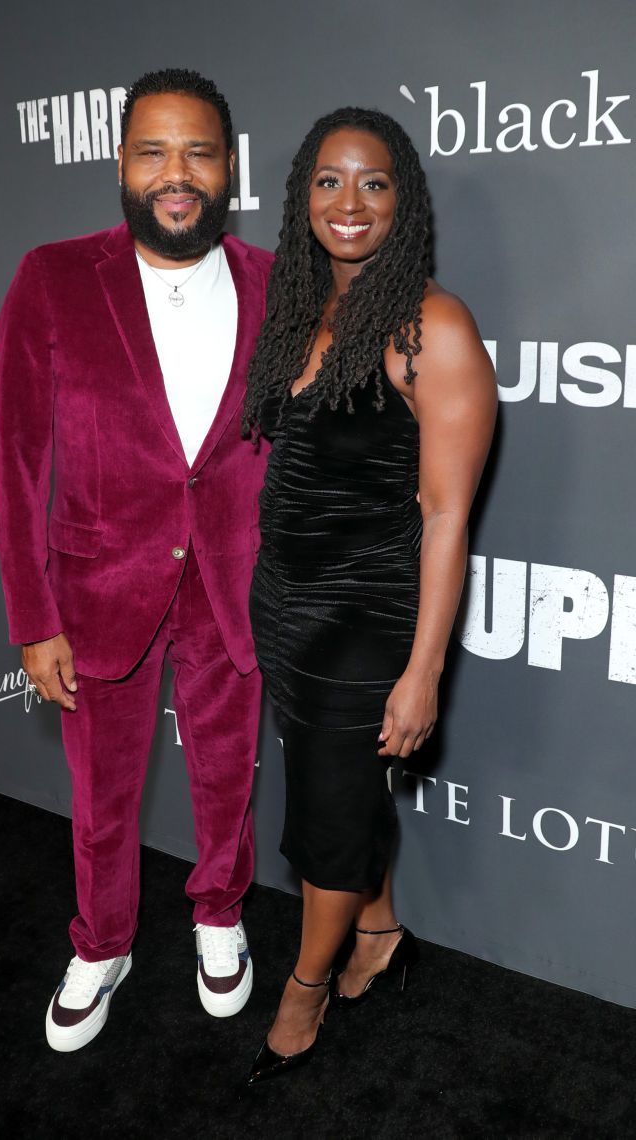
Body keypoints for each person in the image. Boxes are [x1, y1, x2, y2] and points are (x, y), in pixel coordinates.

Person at [0, 69, 273, 1052]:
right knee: (102, 794)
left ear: (227, 165)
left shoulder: (279, 283)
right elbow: (16, 453)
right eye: (153, 150)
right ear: (121, 163)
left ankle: (219, 914)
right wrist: (31, 617)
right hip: (98, 585)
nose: (175, 173)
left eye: (197, 150)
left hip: (234, 585)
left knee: (226, 774)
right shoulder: (53, 276)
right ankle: (102, 943)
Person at [242, 106, 497, 1083]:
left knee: (328, 821)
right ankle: (381, 931)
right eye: (328, 181)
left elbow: (442, 515)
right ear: (302, 194)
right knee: (341, 792)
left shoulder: (432, 325)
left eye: (375, 182)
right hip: (286, 606)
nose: (349, 202)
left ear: (406, 201)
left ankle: (301, 1000)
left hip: (366, 621)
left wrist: (423, 670)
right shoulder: (300, 309)